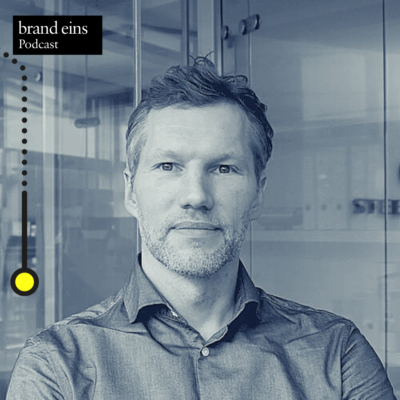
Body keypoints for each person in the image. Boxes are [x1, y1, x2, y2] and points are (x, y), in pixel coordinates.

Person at [7, 58, 396, 399]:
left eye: (224, 168)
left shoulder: (335, 352)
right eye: (168, 166)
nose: (196, 196)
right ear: (130, 191)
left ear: (258, 194)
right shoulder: (57, 365)